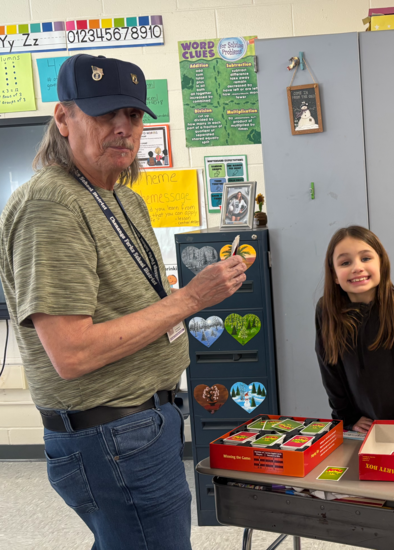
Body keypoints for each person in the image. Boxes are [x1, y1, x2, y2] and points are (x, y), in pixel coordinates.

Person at [0, 54, 247, 550]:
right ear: (63, 118)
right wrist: (190, 299)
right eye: (103, 113)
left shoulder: (120, 196)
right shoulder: (52, 205)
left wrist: (172, 297)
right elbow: (72, 354)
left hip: (143, 425)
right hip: (111, 437)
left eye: (132, 115)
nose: (122, 127)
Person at [315, 226, 394, 434]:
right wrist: (347, 417)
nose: (357, 268)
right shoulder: (326, 310)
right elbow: (330, 370)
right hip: (362, 427)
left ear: (381, 263)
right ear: (335, 275)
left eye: (365, 258)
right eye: (345, 262)